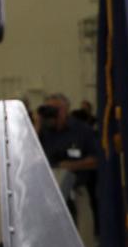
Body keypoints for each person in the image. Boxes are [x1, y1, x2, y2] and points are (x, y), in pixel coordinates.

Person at [36, 93, 98, 222]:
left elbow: (97, 160)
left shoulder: (82, 130)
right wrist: (37, 125)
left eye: (54, 109)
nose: (50, 114)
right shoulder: (43, 132)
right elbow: (28, 153)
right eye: (48, 109)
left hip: (76, 190)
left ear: (65, 110)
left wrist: (71, 165)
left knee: (83, 230)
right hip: (48, 192)